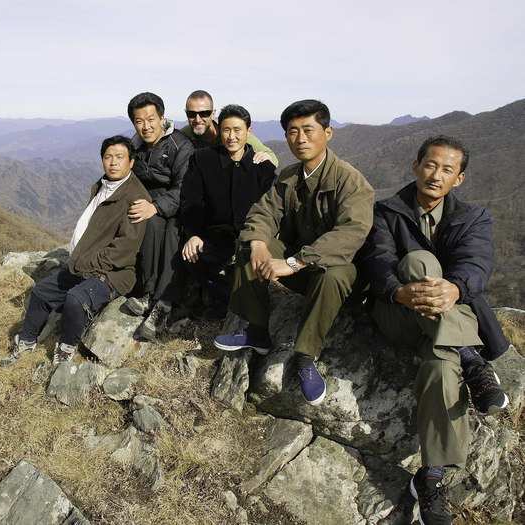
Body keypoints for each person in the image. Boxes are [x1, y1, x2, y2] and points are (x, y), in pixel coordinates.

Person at [360, 136, 510, 525]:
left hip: (447, 316)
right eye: (430, 165)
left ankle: (430, 477)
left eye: (447, 170)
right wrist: (398, 291)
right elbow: (377, 262)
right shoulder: (387, 212)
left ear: (458, 179)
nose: (436, 175)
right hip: (397, 314)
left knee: (442, 368)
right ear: (416, 166)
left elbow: (477, 266)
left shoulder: (473, 217)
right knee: (420, 260)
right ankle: (471, 356)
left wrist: (455, 288)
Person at [214, 99, 374, 406]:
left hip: (335, 274)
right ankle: (257, 330)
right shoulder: (289, 177)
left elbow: (350, 233)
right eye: (292, 131)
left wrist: (295, 261)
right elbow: (263, 212)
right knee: (250, 243)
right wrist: (260, 244)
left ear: (328, 133)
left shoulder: (350, 181)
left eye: (308, 130)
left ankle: (305, 355)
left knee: (336, 274)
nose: (300, 139)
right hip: (299, 267)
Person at [0, 135, 150, 367]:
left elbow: (125, 250)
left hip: (113, 273)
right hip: (83, 264)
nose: (113, 162)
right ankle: (27, 340)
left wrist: (86, 263)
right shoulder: (102, 186)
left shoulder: (135, 198)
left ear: (131, 162)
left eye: (120, 157)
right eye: (108, 157)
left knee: (75, 299)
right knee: (41, 292)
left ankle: (66, 347)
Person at [179, 104, 276, 319]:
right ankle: (220, 301)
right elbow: (191, 200)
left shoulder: (262, 167)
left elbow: (272, 208)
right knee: (192, 255)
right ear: (219, 130)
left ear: (248, 132)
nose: (231, 136)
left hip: (251, 235)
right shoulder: (203, 159)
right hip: (215, 234)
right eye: (226, 130)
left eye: (237, 130)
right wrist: (194, 234)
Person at [125, 92, 195, 341]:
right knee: (152, 226)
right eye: (139, 121)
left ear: (162, 117)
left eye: (150, 118)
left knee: (174, 232)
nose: (146, 126)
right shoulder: (134, 147)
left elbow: (184, 187)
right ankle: (149, 294)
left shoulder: (180, 145)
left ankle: (163, 303)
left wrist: (156, 206)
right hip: (152, 207)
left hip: (180, 207)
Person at [180, 89, 280, 167]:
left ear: (213, 113)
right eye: (191, 114)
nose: (198, 119)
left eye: (204, 113)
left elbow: (272, 158)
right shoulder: (183, 136)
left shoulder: (232, 133)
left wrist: (265, 158)